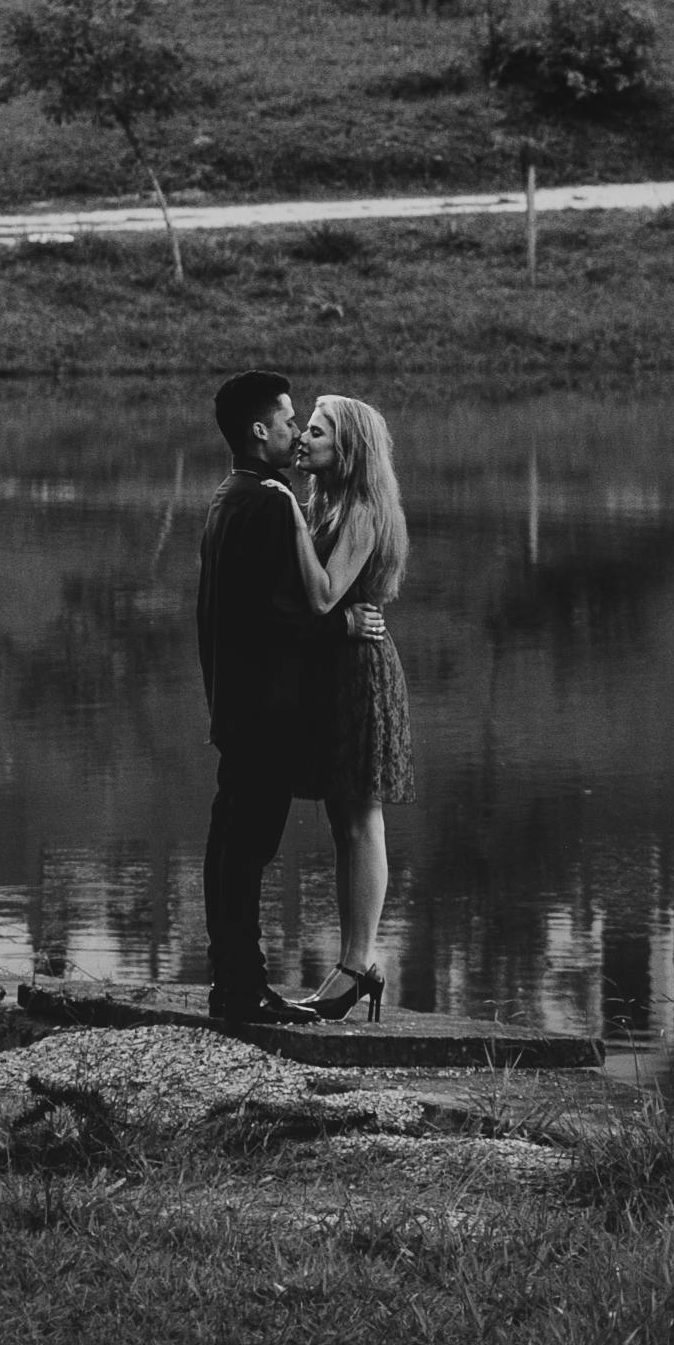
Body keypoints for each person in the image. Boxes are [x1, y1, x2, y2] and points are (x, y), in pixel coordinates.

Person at [197, 369, 385, 1028]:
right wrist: (338, 624)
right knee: (245, 852)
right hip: (266, 710)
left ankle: (236, 985)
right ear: (259, 430)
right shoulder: (273, 500)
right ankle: (242, 991)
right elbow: (272, 613)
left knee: (229, 848)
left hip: (234, 705)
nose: (294, 431)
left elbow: (229, 610)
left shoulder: (230, 494)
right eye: (286, 420)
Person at [263, 393, 413, 1024]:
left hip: (361, 674)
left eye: (317, 431)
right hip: (339, 672)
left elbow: (324, 597)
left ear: (346, 447)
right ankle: (356, 964)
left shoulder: (362, 510)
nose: (304, 439)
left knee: (360, 818)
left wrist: (288, 512)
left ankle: (357, 965)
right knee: (345, 821)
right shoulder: (332, 501)